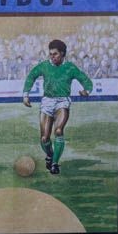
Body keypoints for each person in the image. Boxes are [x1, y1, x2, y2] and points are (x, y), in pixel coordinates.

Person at [22, 39, 93, 175]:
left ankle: (55, 163)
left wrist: (87, 91)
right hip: (47, 101)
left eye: (55, 54)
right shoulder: (44, 66)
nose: (52, 57)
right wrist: (26, 94)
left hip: (62, 101)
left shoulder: (70, 68)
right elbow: (31, 76)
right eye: (50, 54)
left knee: (59, 131)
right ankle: (50, 156)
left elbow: (86, 80)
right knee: (44, 138)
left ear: (62, 54)